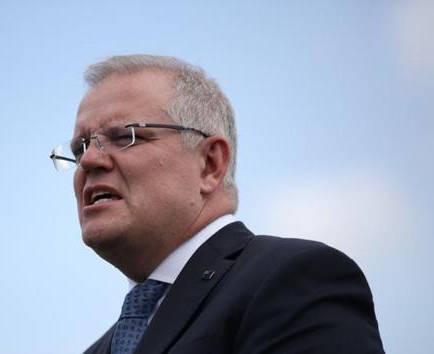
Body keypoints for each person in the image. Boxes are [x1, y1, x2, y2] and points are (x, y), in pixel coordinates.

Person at [50, 55, 384, 354]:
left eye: (124, 136)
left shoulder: (293, 278)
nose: (89, 160)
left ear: (210, 163)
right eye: (79, 148)